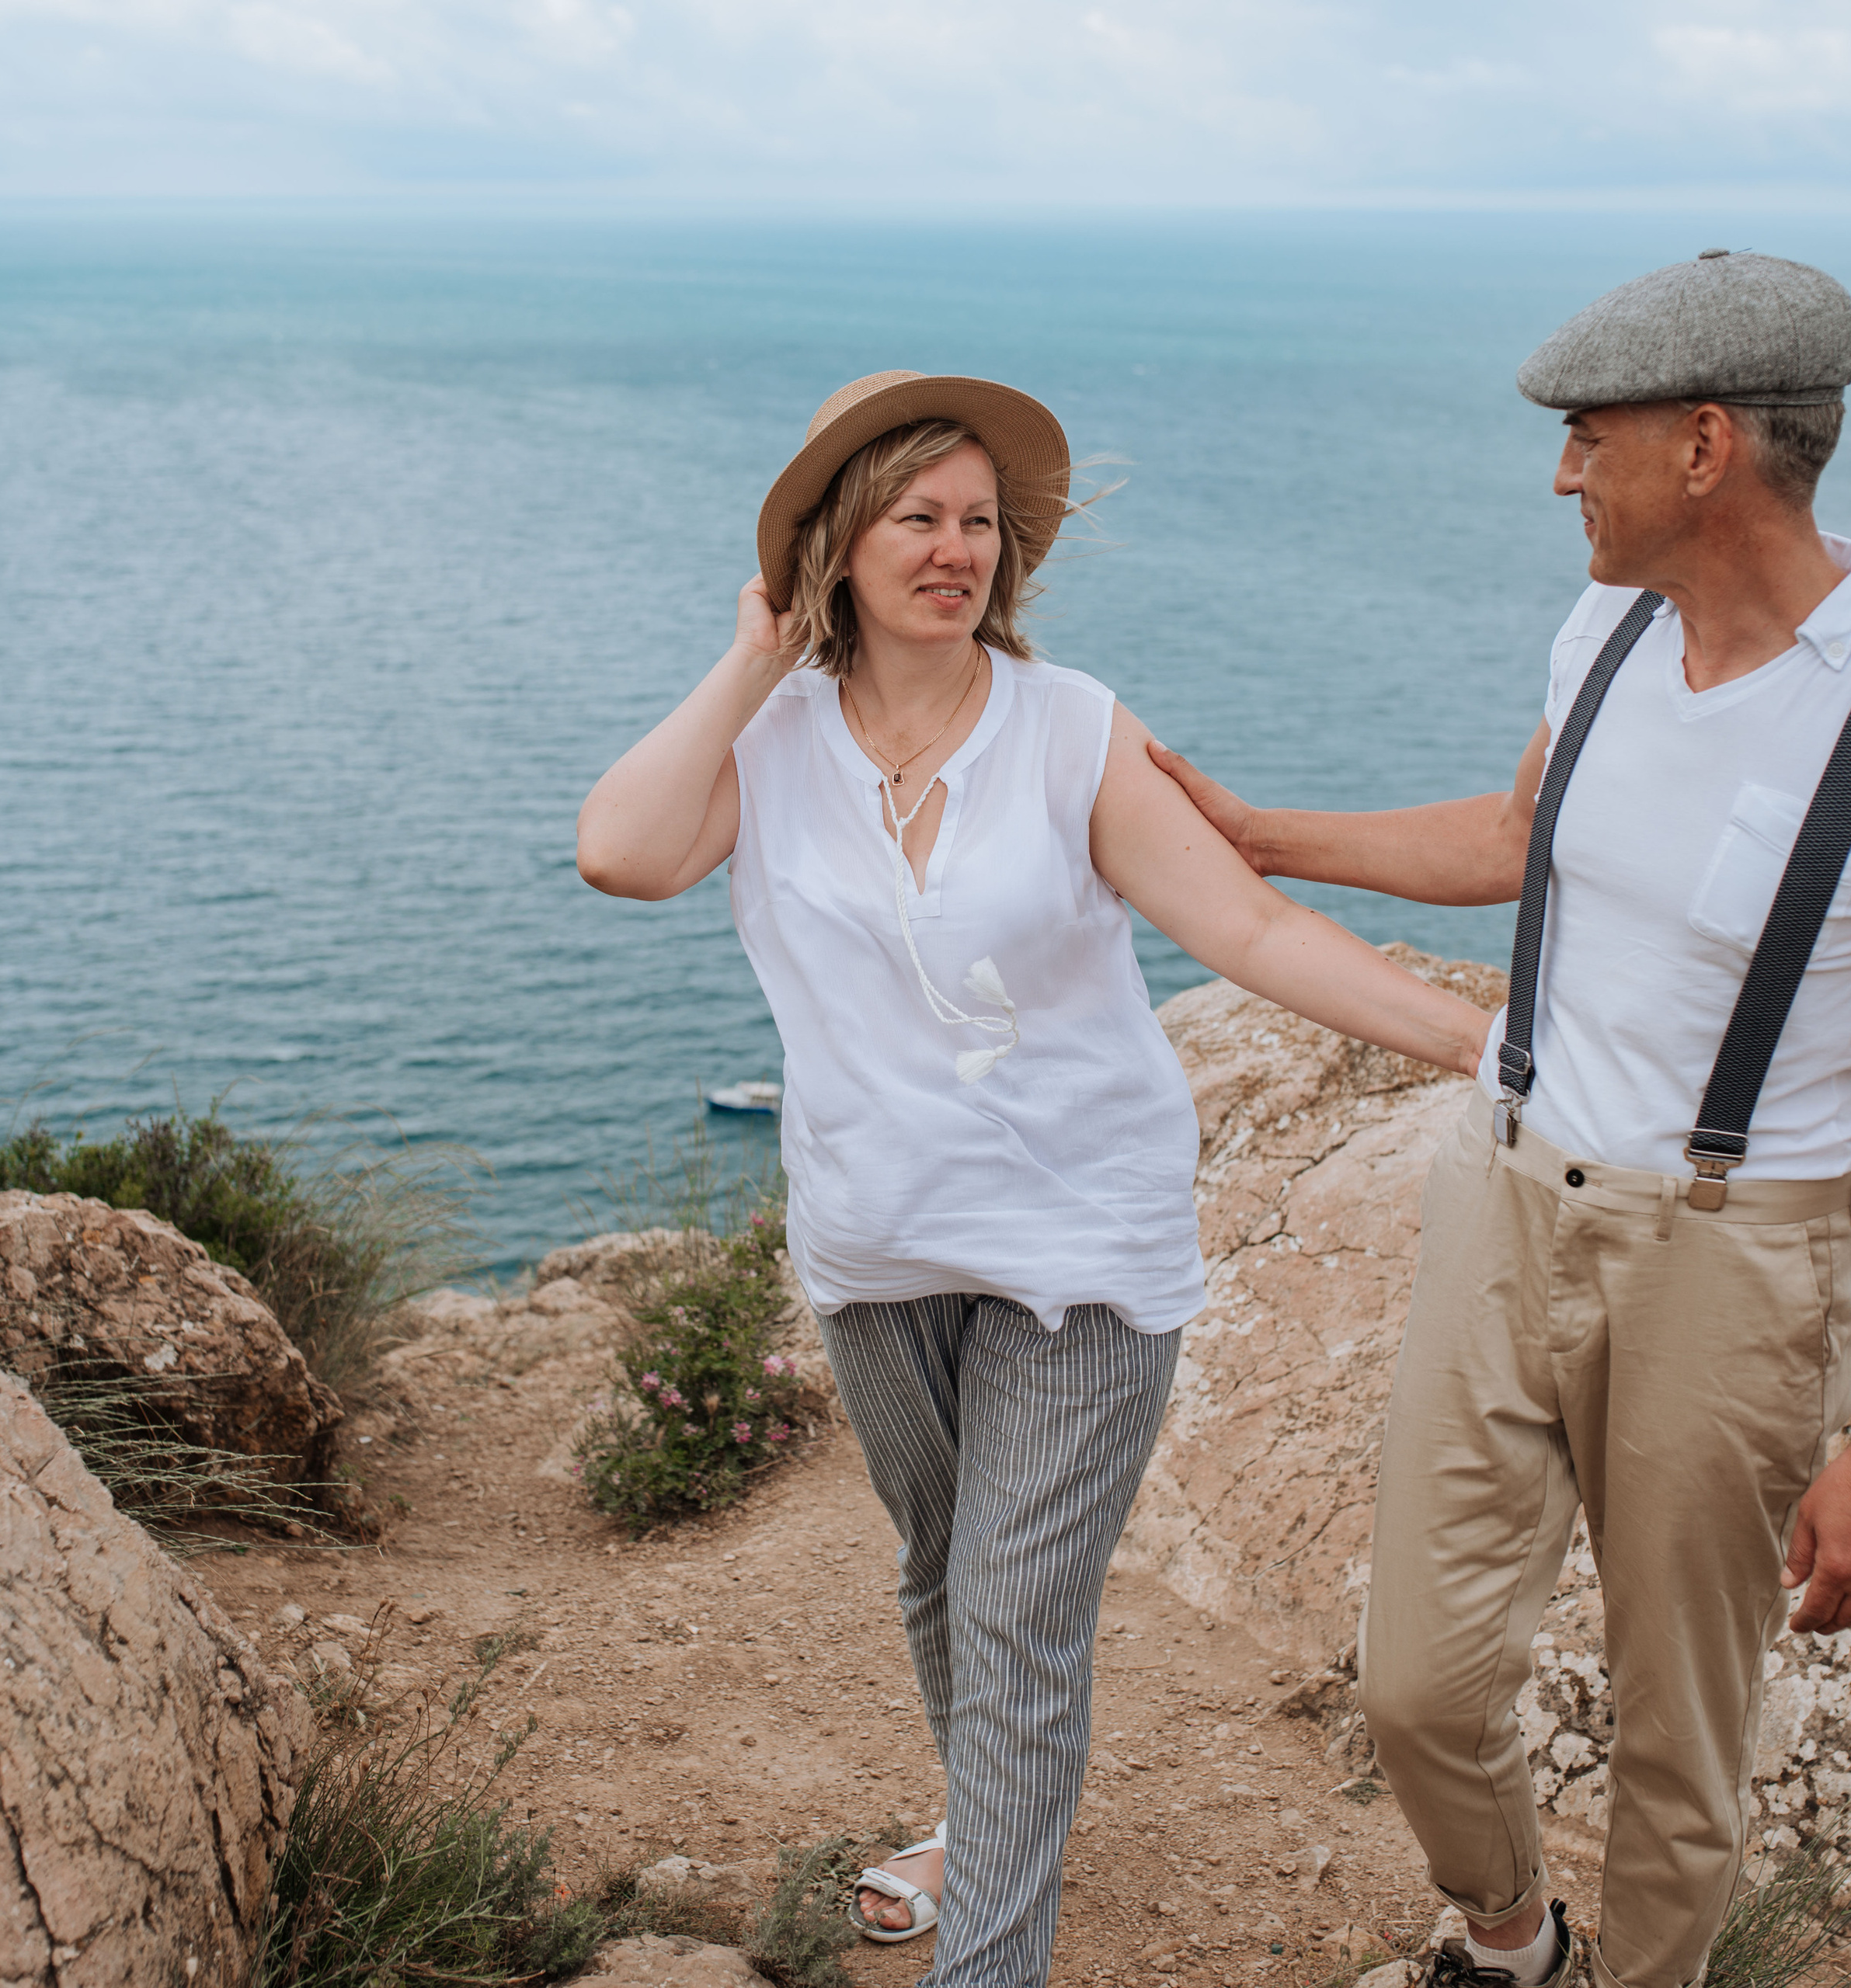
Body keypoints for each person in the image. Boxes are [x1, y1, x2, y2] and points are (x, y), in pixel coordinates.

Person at [578, 368, 1489, 1988]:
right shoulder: (772, 742)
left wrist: (1481, 1045)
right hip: (874, 1237)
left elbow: (1249, 928)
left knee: (1011, 1610)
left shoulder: (1069, 725)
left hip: (1080, 1237)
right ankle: (999, 1809)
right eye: (916, 518)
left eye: (979, 523)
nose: (955, 550)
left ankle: (985, 1950)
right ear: (836, 547)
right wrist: (745, 660)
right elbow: (623, 852)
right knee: (943, 1572)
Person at [1148, 252, 1851, 1988]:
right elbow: (1514, 837)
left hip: (1729, 1256)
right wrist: (1260, 835)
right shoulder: (1604, 625)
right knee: (1416, 1678)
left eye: (1581, 438)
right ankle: (1511, 1932)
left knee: (1679, 1729)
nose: (1558, 476)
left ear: (1703, 448)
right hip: (1505, 1184)